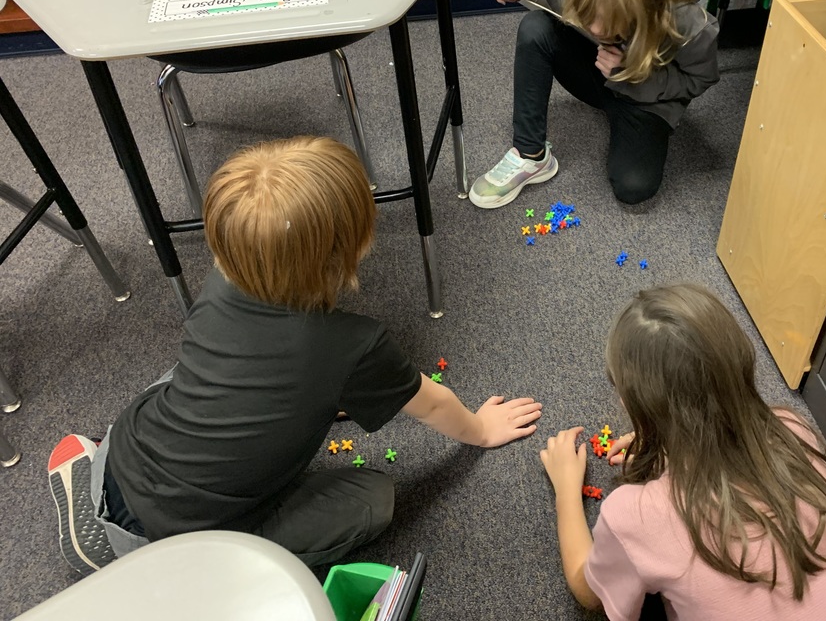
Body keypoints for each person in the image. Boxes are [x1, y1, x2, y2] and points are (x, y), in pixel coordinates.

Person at [48, 136, 542, 575]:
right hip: (176, 537)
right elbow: (433, 405)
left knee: (188, 373)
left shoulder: (221, 279)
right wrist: (480, 430)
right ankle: (123, 554)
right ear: (348, 247)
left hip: (127, 446)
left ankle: (96, 486)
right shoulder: (356, 343)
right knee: (374, 501)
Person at [539, 283, 826, 621]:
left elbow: (588, 591)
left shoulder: (633, 515)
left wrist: (566, 491)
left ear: (632, 404)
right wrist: (668, 449)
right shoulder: (793, 429)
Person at [469, 0, 720, 209]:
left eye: (612, 22)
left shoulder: (691, 26)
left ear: (646, 7)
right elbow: (560, 7)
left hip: (647, 100)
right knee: (536, 27)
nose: (596, 29)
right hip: (598, 74)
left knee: (634, 187)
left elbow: (700, 80)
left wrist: (631, 75)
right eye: (590, 16)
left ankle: (624, 117)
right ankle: (531, 154)